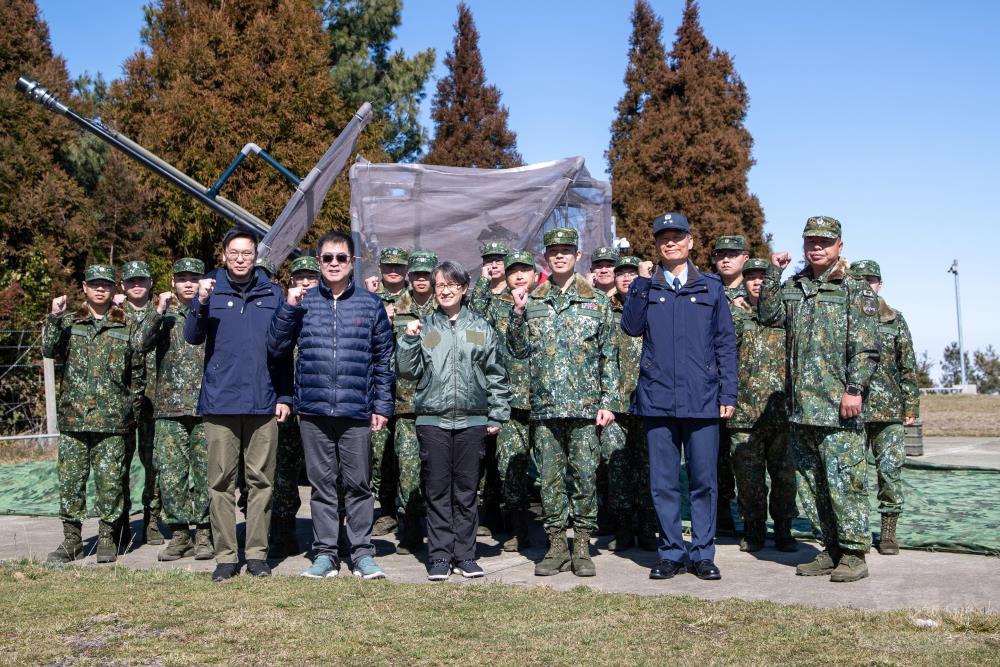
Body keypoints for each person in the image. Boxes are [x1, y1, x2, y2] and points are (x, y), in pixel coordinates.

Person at [758, 216, 880, 583]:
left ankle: (855, 553)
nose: (817, 247)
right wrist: (773, 275)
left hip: (838, 405)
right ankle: (830, 548)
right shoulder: (795, 286)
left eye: (825, 242)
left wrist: (854, 389)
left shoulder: (854, 289)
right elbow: (768, 315)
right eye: (811, 241)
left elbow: (866, 346)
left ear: (839, 245)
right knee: (811, 485)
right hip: (801, 409)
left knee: (846, 482)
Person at [268, 231, 394, 580]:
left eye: (341, 258)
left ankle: (362, 553)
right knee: (322, 486)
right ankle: (325, 553)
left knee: (358, 484)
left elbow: (384, 359)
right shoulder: (303, 302)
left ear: (352, 262)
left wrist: (382, 405)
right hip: (314, 410)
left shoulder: (370, 305)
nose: (334, 264)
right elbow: (277, 348)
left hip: (356, 411)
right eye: (327, 258)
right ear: (319, 262)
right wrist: (288, 307)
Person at [621, 212, 737, 582]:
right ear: (656, 246)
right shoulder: (647, 287)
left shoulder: (711, 288)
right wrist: (639, 284)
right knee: (664, 482)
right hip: (657, 399)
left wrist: (728, 392)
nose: (670, 243)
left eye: (677, 237)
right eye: (663, 238)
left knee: (705, 481)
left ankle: (702, 554)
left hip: (703, 399)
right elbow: (631, 327)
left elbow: (725, 344)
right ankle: (671, 551)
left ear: (690, 242)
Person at [507, 227, 619, 578]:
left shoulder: (597, 301)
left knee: (585, 476)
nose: (559, 255)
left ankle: (582, 545)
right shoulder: (533, 300)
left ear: (577, 255)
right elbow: (519, 350)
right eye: (553, 250)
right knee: (550, 480)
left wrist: (609, 401)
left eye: (566, 250)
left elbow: (608, 357)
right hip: (546, 405)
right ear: (546, 256)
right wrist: (518, 314)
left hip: (585, 408)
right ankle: (556, 545)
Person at [184, 229, 292, 582]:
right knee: (220, 483)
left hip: (263, 403)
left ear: (255, 256)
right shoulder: (211, 291)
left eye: (247, 252)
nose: (241, 258)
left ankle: (257, 554)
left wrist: (285, 396)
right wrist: (199, 302)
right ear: (225, 255)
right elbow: (192, 336)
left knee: (261, 482)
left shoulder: (272, 293)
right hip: (220, 402)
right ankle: (226, 557)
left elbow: (282, 351)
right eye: (235, 252)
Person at [396, 261, 512, 580]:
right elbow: (408, 371)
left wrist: (497, 413)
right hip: (432, 419)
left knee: (465, 490)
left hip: (472, 421)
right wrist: (407, 340)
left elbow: (496, 375)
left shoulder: (480, 327)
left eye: (452, 285)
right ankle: (439, 556)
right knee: (436, 489)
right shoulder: (426, 328)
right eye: (440, 285)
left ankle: (465, 554)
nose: (445, 291)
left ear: (463, 289)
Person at [43, 265, 144, 564]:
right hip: (75, 418)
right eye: (95, 285)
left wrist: (131, 409)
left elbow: (137, 373)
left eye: (106, 285)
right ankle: (72, 539)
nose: (100, 290)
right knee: (71, 482)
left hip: (113, 421)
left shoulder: (125, 325)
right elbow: (50, 349)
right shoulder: (70, 322)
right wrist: (54, 317)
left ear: (114, 290)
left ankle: (106, 537)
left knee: (110, 482)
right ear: (84, 288)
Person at [133, 258, 213, 561]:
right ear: (173, 282)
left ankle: (205, 533)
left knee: (207, 473)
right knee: (171, 474)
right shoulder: (163, 316)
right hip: (168, 408)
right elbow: (139, 344)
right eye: (182, 279)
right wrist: (158, 312)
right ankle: (180, 534)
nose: (189, 284)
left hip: (207, 406)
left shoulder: (211, 309)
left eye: (194, 278)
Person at [727, 258, 797, 553]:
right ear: (743, 282)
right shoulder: (732, 315)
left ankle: (783, 529)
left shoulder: (787, 315)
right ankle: (753, 529)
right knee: (748, 479)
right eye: (751, 277)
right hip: (744, 412)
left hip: (782, 412)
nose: (757, 282)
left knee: (784, 477)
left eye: (762, 277)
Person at [850, 259, 919, 556]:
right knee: (853, 476)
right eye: (861, 280)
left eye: (872, 281)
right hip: (852, 410)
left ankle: (889, 531)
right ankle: (857, 531)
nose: (867, 286)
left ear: (880, 284)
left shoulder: (894, 319)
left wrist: (911, 404)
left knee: (890, 473)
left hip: (889, 410)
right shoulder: (845, 318)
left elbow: (908, 365)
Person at [478, 250, 536, 551]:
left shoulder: (546, 302)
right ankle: (518, 529)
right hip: (510, 400)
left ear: (535, 272)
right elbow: (474, 316)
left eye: (525, 269)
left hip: (544, 400)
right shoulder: (496, 305)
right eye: (513, 270)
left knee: (551, 471)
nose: (518, 275)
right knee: (510, 468)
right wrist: (483, 282)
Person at [602, 254, 658, 552]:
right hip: (615, 404)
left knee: (649, 467)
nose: (626, 278)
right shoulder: (604, 310)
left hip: (649, 402)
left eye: (632, 273)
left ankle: (648, 528)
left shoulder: (654, 308)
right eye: (620, 273)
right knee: (618, 467)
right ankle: (623, 529)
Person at [269, 254, 322, 557]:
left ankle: (327, 535)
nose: (305, 282)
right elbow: (276, 352)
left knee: (325, 472)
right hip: (289, 403)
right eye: (299, 277)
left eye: (311, 278)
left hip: (318, 404)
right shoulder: (284, 310)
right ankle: (283, 530)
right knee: (284, 470)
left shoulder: (328, 311)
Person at [390, 250, 438, 554]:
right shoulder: (396, 307)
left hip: (437, 404)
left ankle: (437, 530)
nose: (421, 279)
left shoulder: (447, 307)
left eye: (426, 274)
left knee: (436, 471)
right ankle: (408, 529)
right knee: (407, 469)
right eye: (416, 274)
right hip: (406, 404)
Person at [118, 259, 162, 546]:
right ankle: (120, 521)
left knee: (153, 463)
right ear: (122, 285)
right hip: (120, 398)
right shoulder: (112, 314)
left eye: (141, 280)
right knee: (118, 463)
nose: (137, 285)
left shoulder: (162, 314)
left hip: (153, 398)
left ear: (150, 284)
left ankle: (153, 520)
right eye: (131, 280)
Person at [368, 247, 410, 537]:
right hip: (378, 388)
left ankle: (410, 512)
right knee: (379, 453)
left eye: (399, 265)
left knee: (408, 456)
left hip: (410, 391)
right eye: (388, 265)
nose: (393, 270)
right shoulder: (368, 299)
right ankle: (385, 510)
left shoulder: (418, 297)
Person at [711, 236, 749, 537]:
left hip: (749, 386)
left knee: (746, 458)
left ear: (745, 258)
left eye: (732, 255)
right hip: (713, 384)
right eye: (721, 255)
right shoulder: (707, 287)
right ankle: (722, 513)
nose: (726, 260)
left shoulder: (757, 288)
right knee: (716, 456)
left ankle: (753, 519)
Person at [468, 241, 510, 313]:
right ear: (483, 265)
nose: (494, 266)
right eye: (489, 261)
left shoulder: (514, 290)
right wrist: (483, 280)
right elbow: (474, 314)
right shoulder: (478, 291)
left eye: (499, 261)